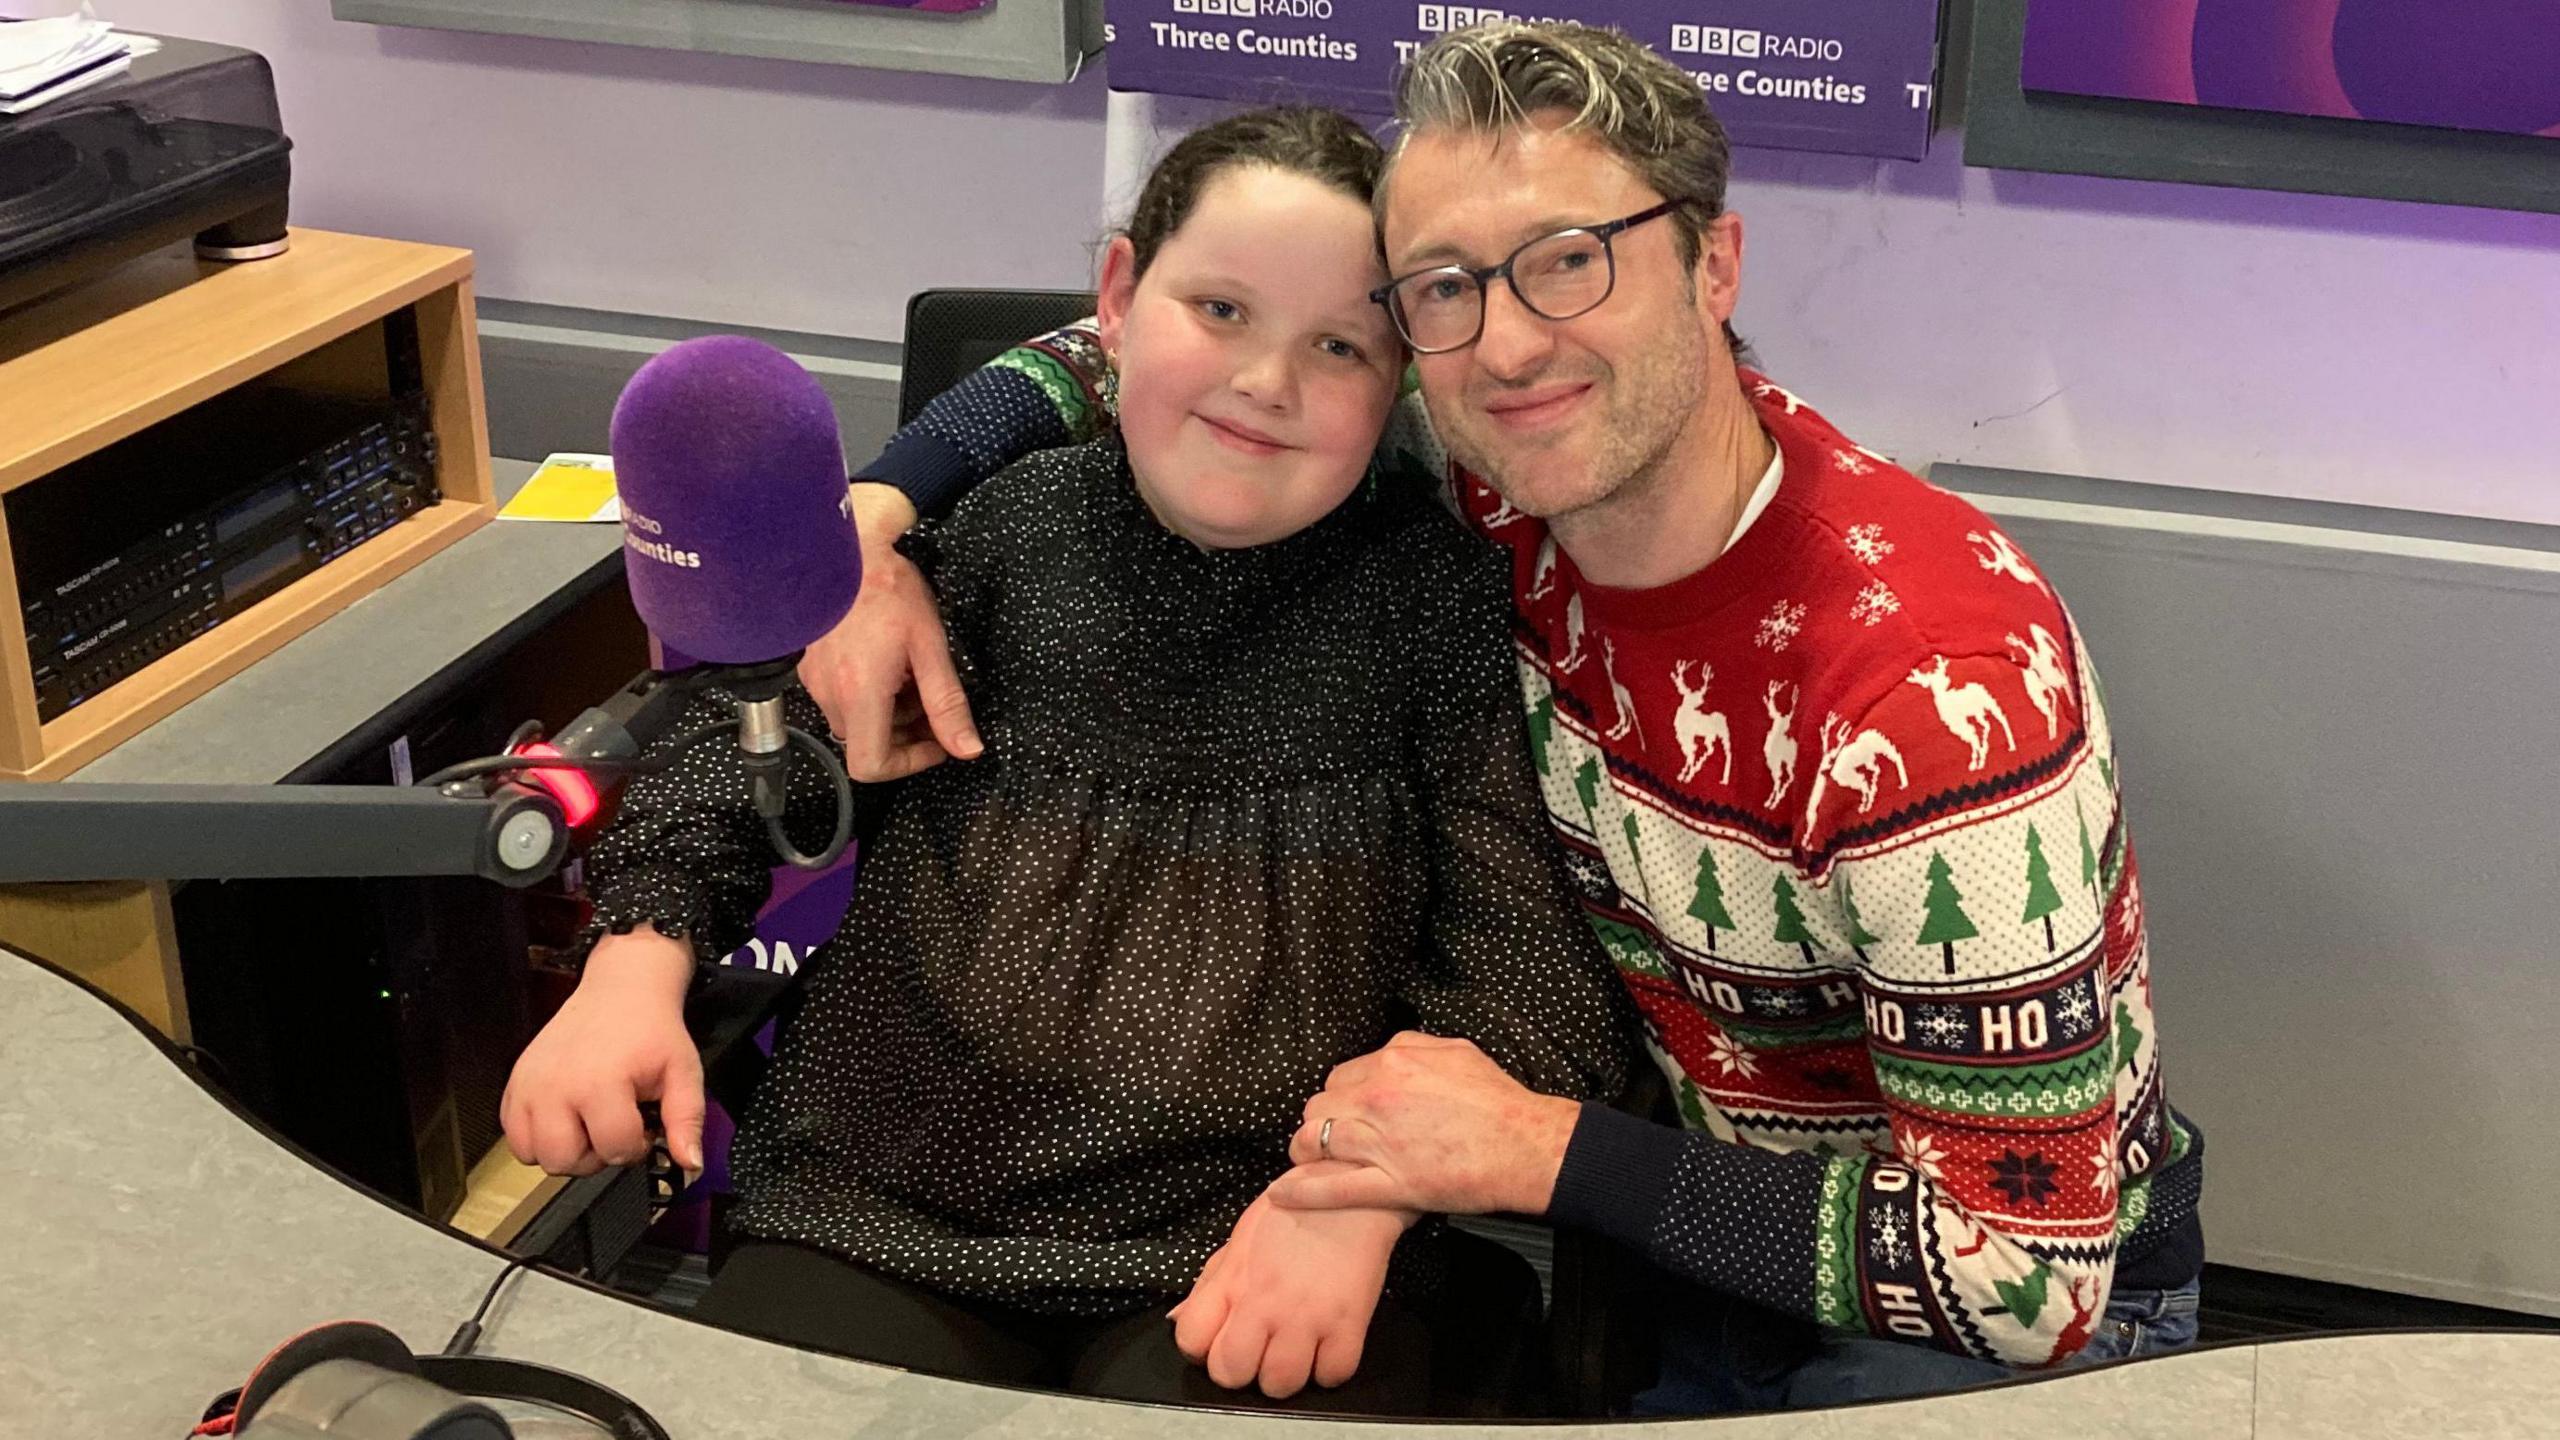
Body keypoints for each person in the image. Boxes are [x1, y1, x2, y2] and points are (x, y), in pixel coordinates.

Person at [803, 21, 2206, 1415]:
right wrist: (870, 523)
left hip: (1980, 1323)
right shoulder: (1514, 493)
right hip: (1685, 1242)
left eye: (1570, 261)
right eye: (1445, 290)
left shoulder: (1926, 694)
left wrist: (1526, 1153)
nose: (1512, 343)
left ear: (1713, 263)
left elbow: (2028, 1278)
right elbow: (1165, 339)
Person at [499, 105, 1631, 1414]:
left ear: (1404, 387)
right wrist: (633, 974)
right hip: (886, 1208)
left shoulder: (1441, 604)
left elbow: (1530, 985)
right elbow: (740, 756)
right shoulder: (992, 535)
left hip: (1260, 1230)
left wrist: (1358, 1202)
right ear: (1118, 297)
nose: (1268, 382)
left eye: (1338, 345)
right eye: (1219, 310)